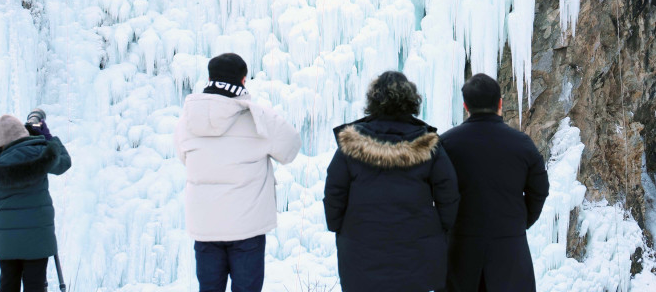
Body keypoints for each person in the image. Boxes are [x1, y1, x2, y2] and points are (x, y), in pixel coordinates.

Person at [175, 54, 301, 292]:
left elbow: (185, 159)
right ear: (243, 80)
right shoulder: (257, 118)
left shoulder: (187, 121)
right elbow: (291, 148)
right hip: (247, 228)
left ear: (209, 79)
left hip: (205, 226)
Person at [323, 71, 459, 292]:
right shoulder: (429, 145)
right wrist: (438, 229)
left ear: (373, 101)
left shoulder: (350, 145)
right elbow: (449, 194)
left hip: (361, 249)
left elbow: (334, 193)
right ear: (411, 101)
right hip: (417, 252)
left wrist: (340, 228)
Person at [440, 74, 548, 292]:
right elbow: (540, 190)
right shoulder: (522, 144)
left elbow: (433, 192)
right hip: (510, 252)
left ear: (465, 106)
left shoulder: (446, 143)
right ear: (500, 103)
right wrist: (519, 222)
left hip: (460, 252)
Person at [0, 112, 72, 292]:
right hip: (38, 236)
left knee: (8, 284)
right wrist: (48, 137)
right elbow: (64, 163)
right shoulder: (40, 152)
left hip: (7, 239)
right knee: (35, 285)